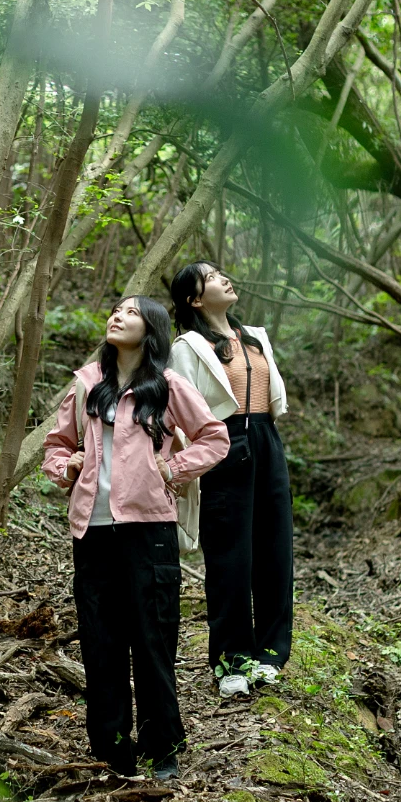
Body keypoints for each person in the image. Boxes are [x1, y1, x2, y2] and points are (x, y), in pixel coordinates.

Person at [43, 296, 230, 779]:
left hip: (150, 530)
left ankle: (162, 746)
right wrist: (67, 467)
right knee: (100, 642)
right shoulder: (87, 382)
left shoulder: (167, 385)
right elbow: (56, 446)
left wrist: (173, 468)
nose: (117, 316)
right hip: (92, 530)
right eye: (115, 310)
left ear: (151, 329)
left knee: (153, 639)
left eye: (130, 312)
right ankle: (111, 751)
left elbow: (214, 437)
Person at [169, 262, 294, 700]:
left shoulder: (254, 336)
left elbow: (272, 398)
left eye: (221, 272)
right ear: (194, 299)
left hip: (266, 439)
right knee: (230, 557)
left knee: (275, 549)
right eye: (211, 277)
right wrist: (185, 465)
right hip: (222, 444)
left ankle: (271, 654)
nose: (223, 278)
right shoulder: (188, 346)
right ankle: (232, 660)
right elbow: (179, 410)